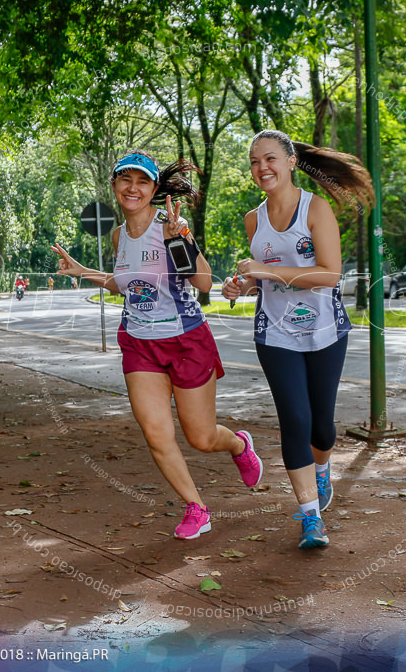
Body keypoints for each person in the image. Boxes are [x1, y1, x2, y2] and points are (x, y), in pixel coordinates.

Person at [51, 150, 262, 540]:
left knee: (200, 438)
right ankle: (196, 507)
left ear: (152, 189)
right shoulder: (118, 234)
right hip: (139, 343)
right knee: (156, 433)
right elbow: (125, 283)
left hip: (185, 340)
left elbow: (203, 284)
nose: (133, 188)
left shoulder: (169, 224)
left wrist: (178, 240)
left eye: (142, 181)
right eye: (125, 180)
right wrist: (84, 273)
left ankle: (238, 445)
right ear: (114, 185)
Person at [222, 130, 374, 550]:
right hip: (276, 333)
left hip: (325, 329)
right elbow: (260, 280)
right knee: (295, 420)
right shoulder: (254, 219)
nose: (262, 168)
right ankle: (311, 517)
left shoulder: (316, 209)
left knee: (322, 429)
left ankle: (322, 468)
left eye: (270, 158)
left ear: (290, 162)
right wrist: (242, 287)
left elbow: (329, 274)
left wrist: (268, 273)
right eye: (254, 162)